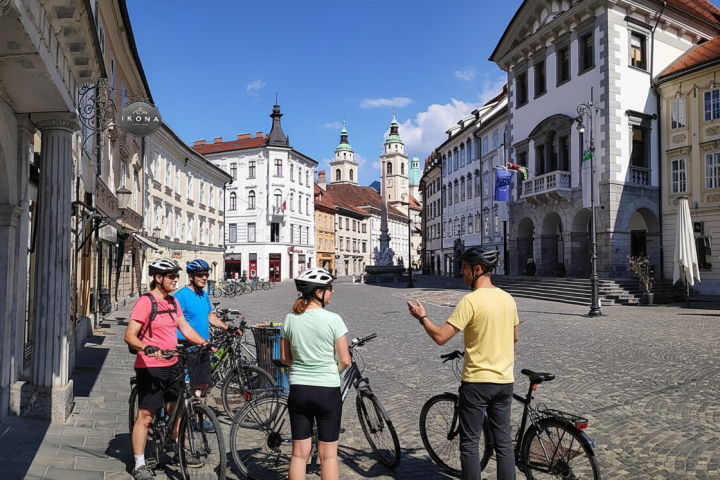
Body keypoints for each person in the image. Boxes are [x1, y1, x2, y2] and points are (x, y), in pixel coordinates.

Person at [407, 246, 519, 480]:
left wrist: (422, 318)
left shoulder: (471, 301)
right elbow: (514, 338)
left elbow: (440, 337)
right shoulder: (508, 299)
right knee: (504, 444)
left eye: (465, 268)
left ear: (478, 269)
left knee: (469, 445)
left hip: (477, 383)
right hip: (504, 381)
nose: (461, 272)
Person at [124, 258, 214, 480]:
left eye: (177, 276)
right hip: (151, 367)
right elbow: (129, 336)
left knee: (178, 409)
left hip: (173, 364)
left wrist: (203, 343)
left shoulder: (173, 303)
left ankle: (177, 445)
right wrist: (148, 347)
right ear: (158, 278)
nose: (176, 279)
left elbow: (185, 327)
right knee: (146, 416)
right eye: (172, 276)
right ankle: (139, 464)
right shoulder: (146, 302)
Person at [280, 268, 351, 480]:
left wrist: (302, 365)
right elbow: (345, 360)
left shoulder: (290, 319)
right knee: (328, 456)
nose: (332, 292)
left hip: (299, 389)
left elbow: (285, 358)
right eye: (329, 288)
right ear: (318, 292)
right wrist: (332, 370)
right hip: (327, 391)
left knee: (299, 455)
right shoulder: (334, 319)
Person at [175, 259, 234, 405]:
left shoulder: (204, 294)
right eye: (200, 275)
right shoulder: (181, 296)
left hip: (203, 346)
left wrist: (227, 327)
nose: (204, 278)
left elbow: (209, 315)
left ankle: (198, 413)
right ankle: (184, 416)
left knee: (203, 383)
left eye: (206, 274)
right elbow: (175, 321)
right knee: (189, 384)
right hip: (187, 346)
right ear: (191, 276)